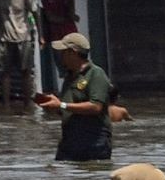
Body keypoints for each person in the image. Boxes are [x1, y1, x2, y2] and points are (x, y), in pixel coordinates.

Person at [37, 32, 113, 162]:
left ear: (73, 53)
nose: (60, 56)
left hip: (92, 143)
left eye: (63, 52)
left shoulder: (96, 74)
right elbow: (68, 108)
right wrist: (54, 106)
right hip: (69, 142)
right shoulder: (69, 77)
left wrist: (61, 105)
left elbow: (95, 106)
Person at [0, 0, 38, 114]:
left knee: (26, 72)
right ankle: (6, 104)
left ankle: (28, 103)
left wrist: (39, 34)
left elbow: (34, 12)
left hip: (23, 37)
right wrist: (2, 21)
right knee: (5, 72)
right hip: (5, 38)